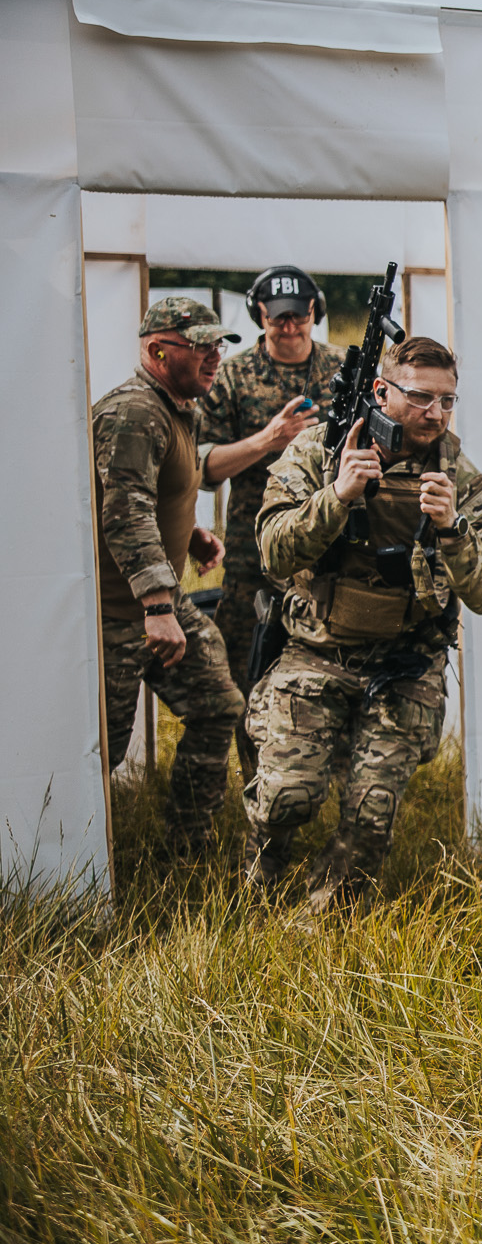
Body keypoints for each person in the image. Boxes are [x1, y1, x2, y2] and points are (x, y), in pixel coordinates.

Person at [243, 335, 482, 911]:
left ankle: (320, 927)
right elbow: (272, 554)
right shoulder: (322, 450)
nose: (433, 413)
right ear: (381, 391)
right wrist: (336, 498)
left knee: (370, 817)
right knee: (288, 797)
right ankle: (258, 883)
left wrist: (452, 529)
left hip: (404, 667)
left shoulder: (459, 478)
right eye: (419, 397)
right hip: (317, 653)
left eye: (447, 401)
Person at [93, 297, 248, 861]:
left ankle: (187, 851)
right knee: (100, 755)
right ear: (158, 350)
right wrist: (158, 605)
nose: (215, 358)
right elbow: (125, 509)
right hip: (120, 613)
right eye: (202, 347)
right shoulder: (134, 413)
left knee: (218, 704)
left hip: (159, 601)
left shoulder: (177, 406)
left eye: (218, 346)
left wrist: (194, 536)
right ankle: (73, 865)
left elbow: (163, 489)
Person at [196, 266, 347, 782]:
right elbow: (203, 468)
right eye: (278, 319)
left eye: (299, 317)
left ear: (315, 313)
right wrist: (267, 440)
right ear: (260, 316)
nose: (290, 328)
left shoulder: (342, 369)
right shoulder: (233, 376)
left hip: (326, 547)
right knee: (245, 669)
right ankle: (257, 784)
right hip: (252, 552)